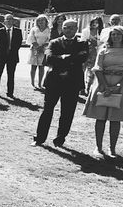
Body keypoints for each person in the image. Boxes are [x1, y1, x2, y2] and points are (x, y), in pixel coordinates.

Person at [32, 19, 88, 148]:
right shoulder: (54, 42)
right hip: (54, 81)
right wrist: (69, 59)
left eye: (71, 28)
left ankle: (60, 139)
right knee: (47, 110)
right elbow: (49, 59)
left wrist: (62, 58)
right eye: (65, 27)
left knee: (67, 112)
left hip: (72, 82)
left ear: (76, 29)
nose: (68, 30)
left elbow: (82, 58)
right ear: (62, 28)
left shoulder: (82, 43)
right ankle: (39, 138)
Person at [82, 26, 123, 158]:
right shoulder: (103, 50)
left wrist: (117, 85)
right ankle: (98, 147)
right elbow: (97, 68)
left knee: (115, 119)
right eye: (113, 35)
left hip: (122, 85)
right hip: (102, 84)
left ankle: (112, 148)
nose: (115, 37)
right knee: (100, 118)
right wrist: (104, 85)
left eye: (118, 35)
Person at [0, 13, 22, 98]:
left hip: (12, 57)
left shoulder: (18, 31)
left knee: (11, 75)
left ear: (13, 21)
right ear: (4, 21)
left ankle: (10, 93)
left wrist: (11, 51)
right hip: (0, 56)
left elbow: (18, 44)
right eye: (7, 19)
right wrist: (2, 52)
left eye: (11, 19)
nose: (9, 21)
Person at [26, 14, 51, 90]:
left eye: (42, 20)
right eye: (39, 20)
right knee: (33, 66)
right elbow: (31, 38)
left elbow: (49, 39)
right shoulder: (34, 29)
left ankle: (40, 83)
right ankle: (32, 83)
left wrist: (43, 47)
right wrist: (36, 46)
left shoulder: (49, 29)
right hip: (34, 49)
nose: (41, 22)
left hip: (44, 49)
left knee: (41, 67)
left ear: (46, 21)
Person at [84, 17, 104, 95]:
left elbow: (102, 43)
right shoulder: (86, 31)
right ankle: (81, 87)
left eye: (97, 22)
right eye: (93, 22)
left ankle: (88, 88)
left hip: (95, 54)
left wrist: (96, 43)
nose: (95, 24)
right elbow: (82, 41)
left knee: (91, 71)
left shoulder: (101, 32)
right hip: (85, 53)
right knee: (82, 70)